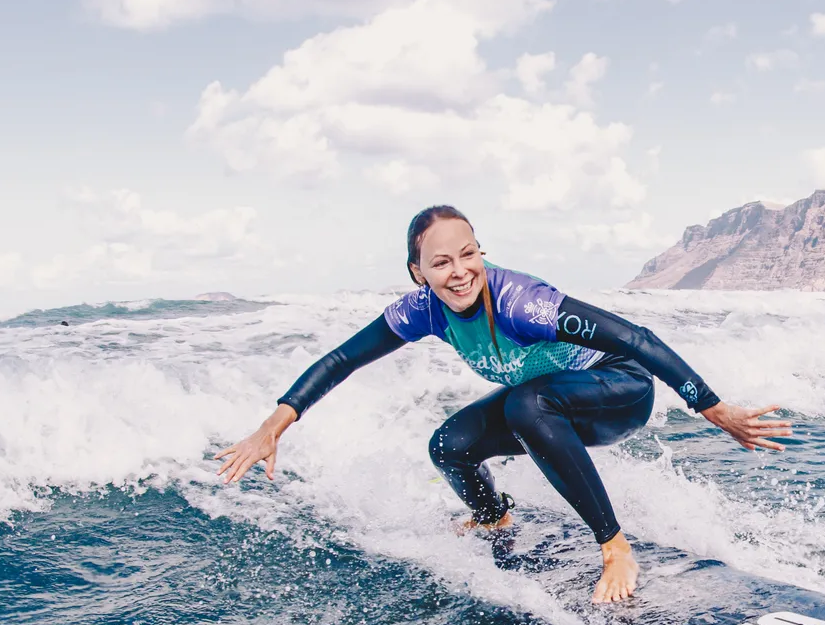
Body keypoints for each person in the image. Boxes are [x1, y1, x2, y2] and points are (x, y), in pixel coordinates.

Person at [216, 206, 792, 603]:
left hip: (618, 391)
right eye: (441, 263)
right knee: (450, 446)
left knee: (526, 405)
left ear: (480, 253)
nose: (460, 271)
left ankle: (615, 547)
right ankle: (495, 516)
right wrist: (273, 426)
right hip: (548, 401)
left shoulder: (522, 303)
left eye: (468, 255)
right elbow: (342, 359)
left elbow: (632, 339)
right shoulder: (423, 310)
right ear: (419, 273)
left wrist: (711, 407)